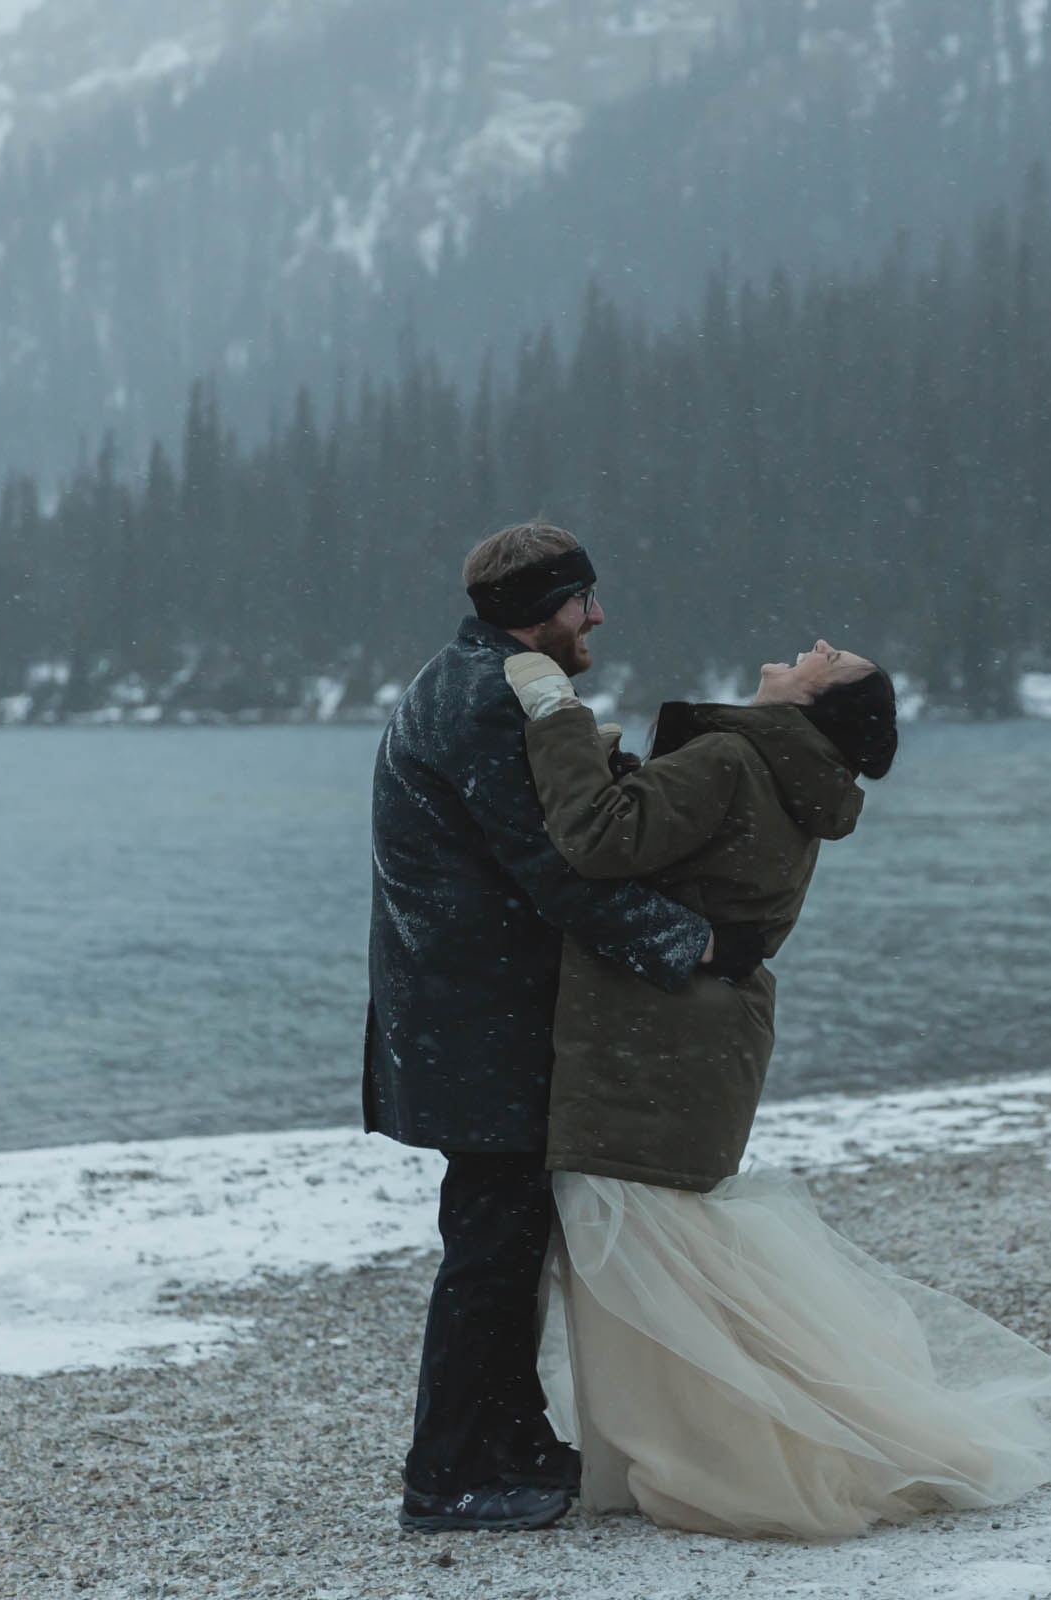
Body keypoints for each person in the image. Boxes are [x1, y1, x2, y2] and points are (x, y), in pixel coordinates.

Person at [502, 638, 1051, 1540]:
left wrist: (557, 718)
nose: (811, 646)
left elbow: (600, 839)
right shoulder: (782, 772)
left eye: (831, 658)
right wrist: (614, 764)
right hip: (699, 1038)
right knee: (659, 1251)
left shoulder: (736, 756)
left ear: (815, 705)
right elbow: (671, 853)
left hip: (651, 1042)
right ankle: (710, 1443)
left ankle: (733, 1460)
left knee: (646, 1253)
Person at [364, 522, 748, 1534]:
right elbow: (556, 868)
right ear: (541, 610)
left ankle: (514, 1443)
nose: (598, 616)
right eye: (585, 599)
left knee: (509, 1236)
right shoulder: (493, 699)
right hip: (475, 1025)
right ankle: (443, 1477)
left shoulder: (473, 675)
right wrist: (691, 944)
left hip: (462, 1017)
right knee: (490, 1249)